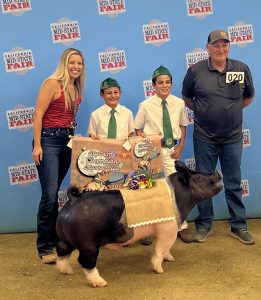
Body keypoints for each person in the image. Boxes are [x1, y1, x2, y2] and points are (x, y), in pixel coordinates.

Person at [182, 29, 255, 244]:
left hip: (232, 137)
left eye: (224, 45)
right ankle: (204, 224)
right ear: (208, 48)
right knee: (203, 182)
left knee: (233, 182)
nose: (220, 49)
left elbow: (249, 97)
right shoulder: (195, 71)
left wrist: (229, 110)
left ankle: (238, 225)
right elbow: (187, 98)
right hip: (204, 137)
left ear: (229, 47)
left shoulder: (241, 69)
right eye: (215, 45)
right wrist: (207, 111)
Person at [32, 48, 85, 263]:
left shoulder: (76, 86)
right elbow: (38, 114)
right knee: (50, 195)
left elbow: (67, 118)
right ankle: (45, 247)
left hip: (67, 141)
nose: (76, 67)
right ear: (64, 63)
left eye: (79, 63)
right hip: (48, 141)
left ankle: (55, 239)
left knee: (57, 193)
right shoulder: (53, 83)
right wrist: (38, 145)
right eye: (72, 62)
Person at [135, 65, 193, 243]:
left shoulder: (179, 103)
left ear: (171, 84)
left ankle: (181, 225)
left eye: (168, 82)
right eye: (160, 82)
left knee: (175, 188)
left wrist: (181, 145)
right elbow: (137, 129)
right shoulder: (145, 105)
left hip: (171, 150)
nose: (164, 85)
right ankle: (147, 230)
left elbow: (183, 125)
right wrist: (146, 144)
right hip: (152, 152)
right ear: (153, 85)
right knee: (148, 189)